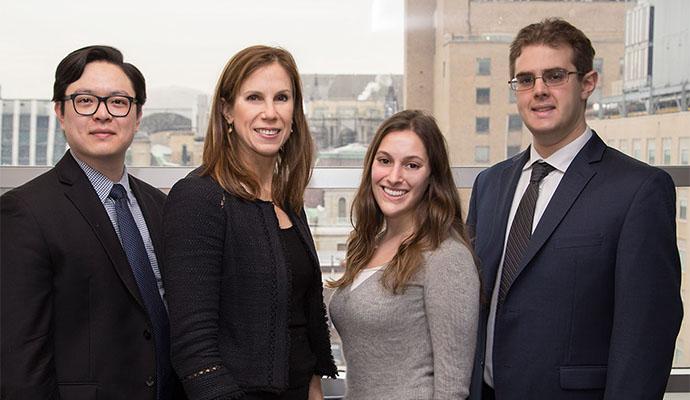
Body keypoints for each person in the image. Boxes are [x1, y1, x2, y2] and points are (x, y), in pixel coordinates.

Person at [467, 18, 682, 400]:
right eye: (526, 80)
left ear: (587, 84)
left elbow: (646, 335)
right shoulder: (490, 185)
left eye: (554, 76)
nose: (539, 91)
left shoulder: (638, 190)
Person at [1, 45, 184, 399]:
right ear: (60, 111)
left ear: (137, 114)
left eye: (118, 102)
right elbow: (20, 362)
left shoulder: (161, 207)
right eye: (85, 101)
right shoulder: (23, 212)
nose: (103, 115)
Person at [163, 45, 337, 400]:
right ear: (227, 110)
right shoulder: (199, 198)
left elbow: (300, 318)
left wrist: (314, 385)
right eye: (254, 98)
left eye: (282, 98)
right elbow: (194, 351)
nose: (270, 113)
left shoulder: (288, 199)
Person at [328, 110, 480, 400]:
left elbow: (452, 389)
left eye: (412, 165)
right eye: (385, 161)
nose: (394, 177)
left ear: (431, 176)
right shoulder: (368, 245)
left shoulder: (446, 257)